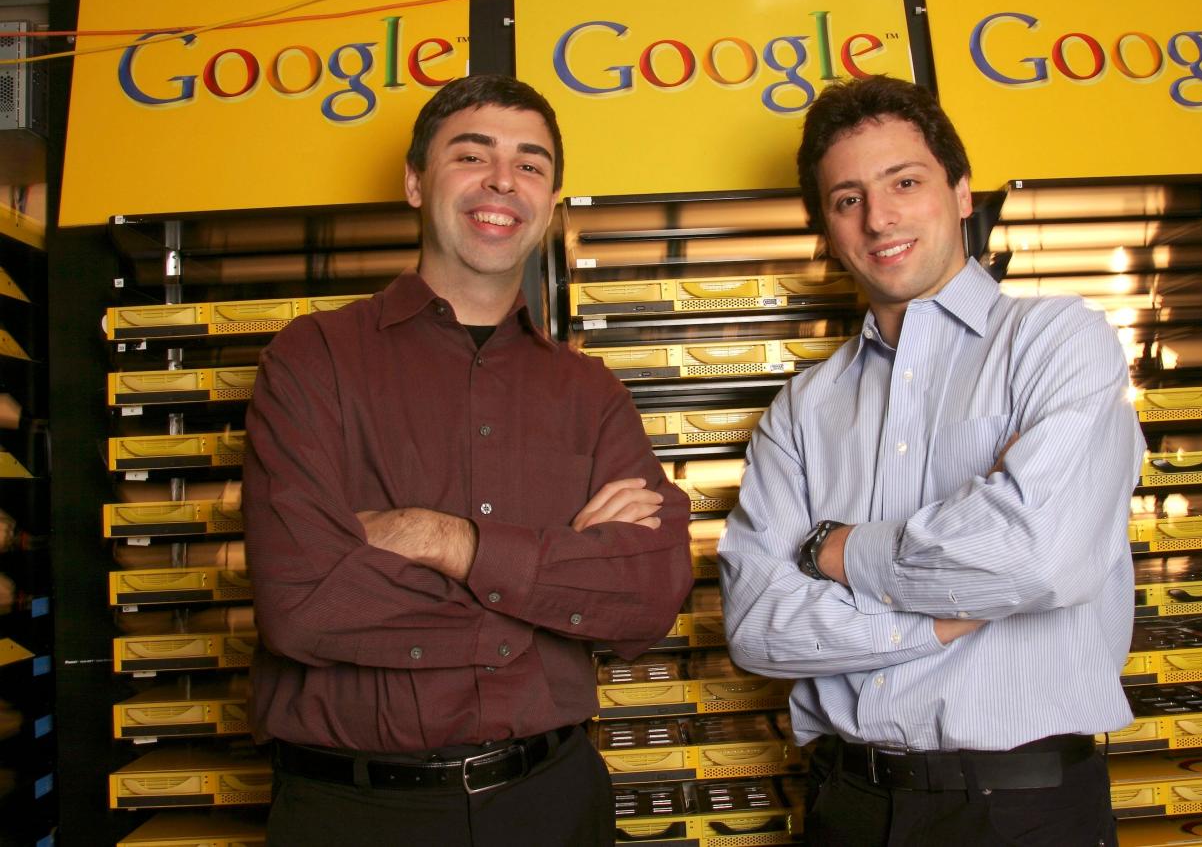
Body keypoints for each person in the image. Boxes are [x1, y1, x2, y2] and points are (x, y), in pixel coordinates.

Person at [243, 74, 692, 847]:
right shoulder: (312, 359)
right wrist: (550, 592)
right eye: (472, 155)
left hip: (552, 802)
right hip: (356, 817)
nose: (503, 182)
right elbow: (303, 601)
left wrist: (442, 540)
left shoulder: (590, 392)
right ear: (415, 181)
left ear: (550, 200)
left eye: (531, 164)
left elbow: (648, 597)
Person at [718, 75, 1142, 846]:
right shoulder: (803, 409)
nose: (879, 218)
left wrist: (838, 551)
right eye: (847, 199)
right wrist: (952, 612)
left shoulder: (1057, 343)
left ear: (961, 192)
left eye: (904, 182)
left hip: (1026, 810)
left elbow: (1040, 560)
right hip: (848, 807)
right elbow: (756, 626)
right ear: (827, 229)